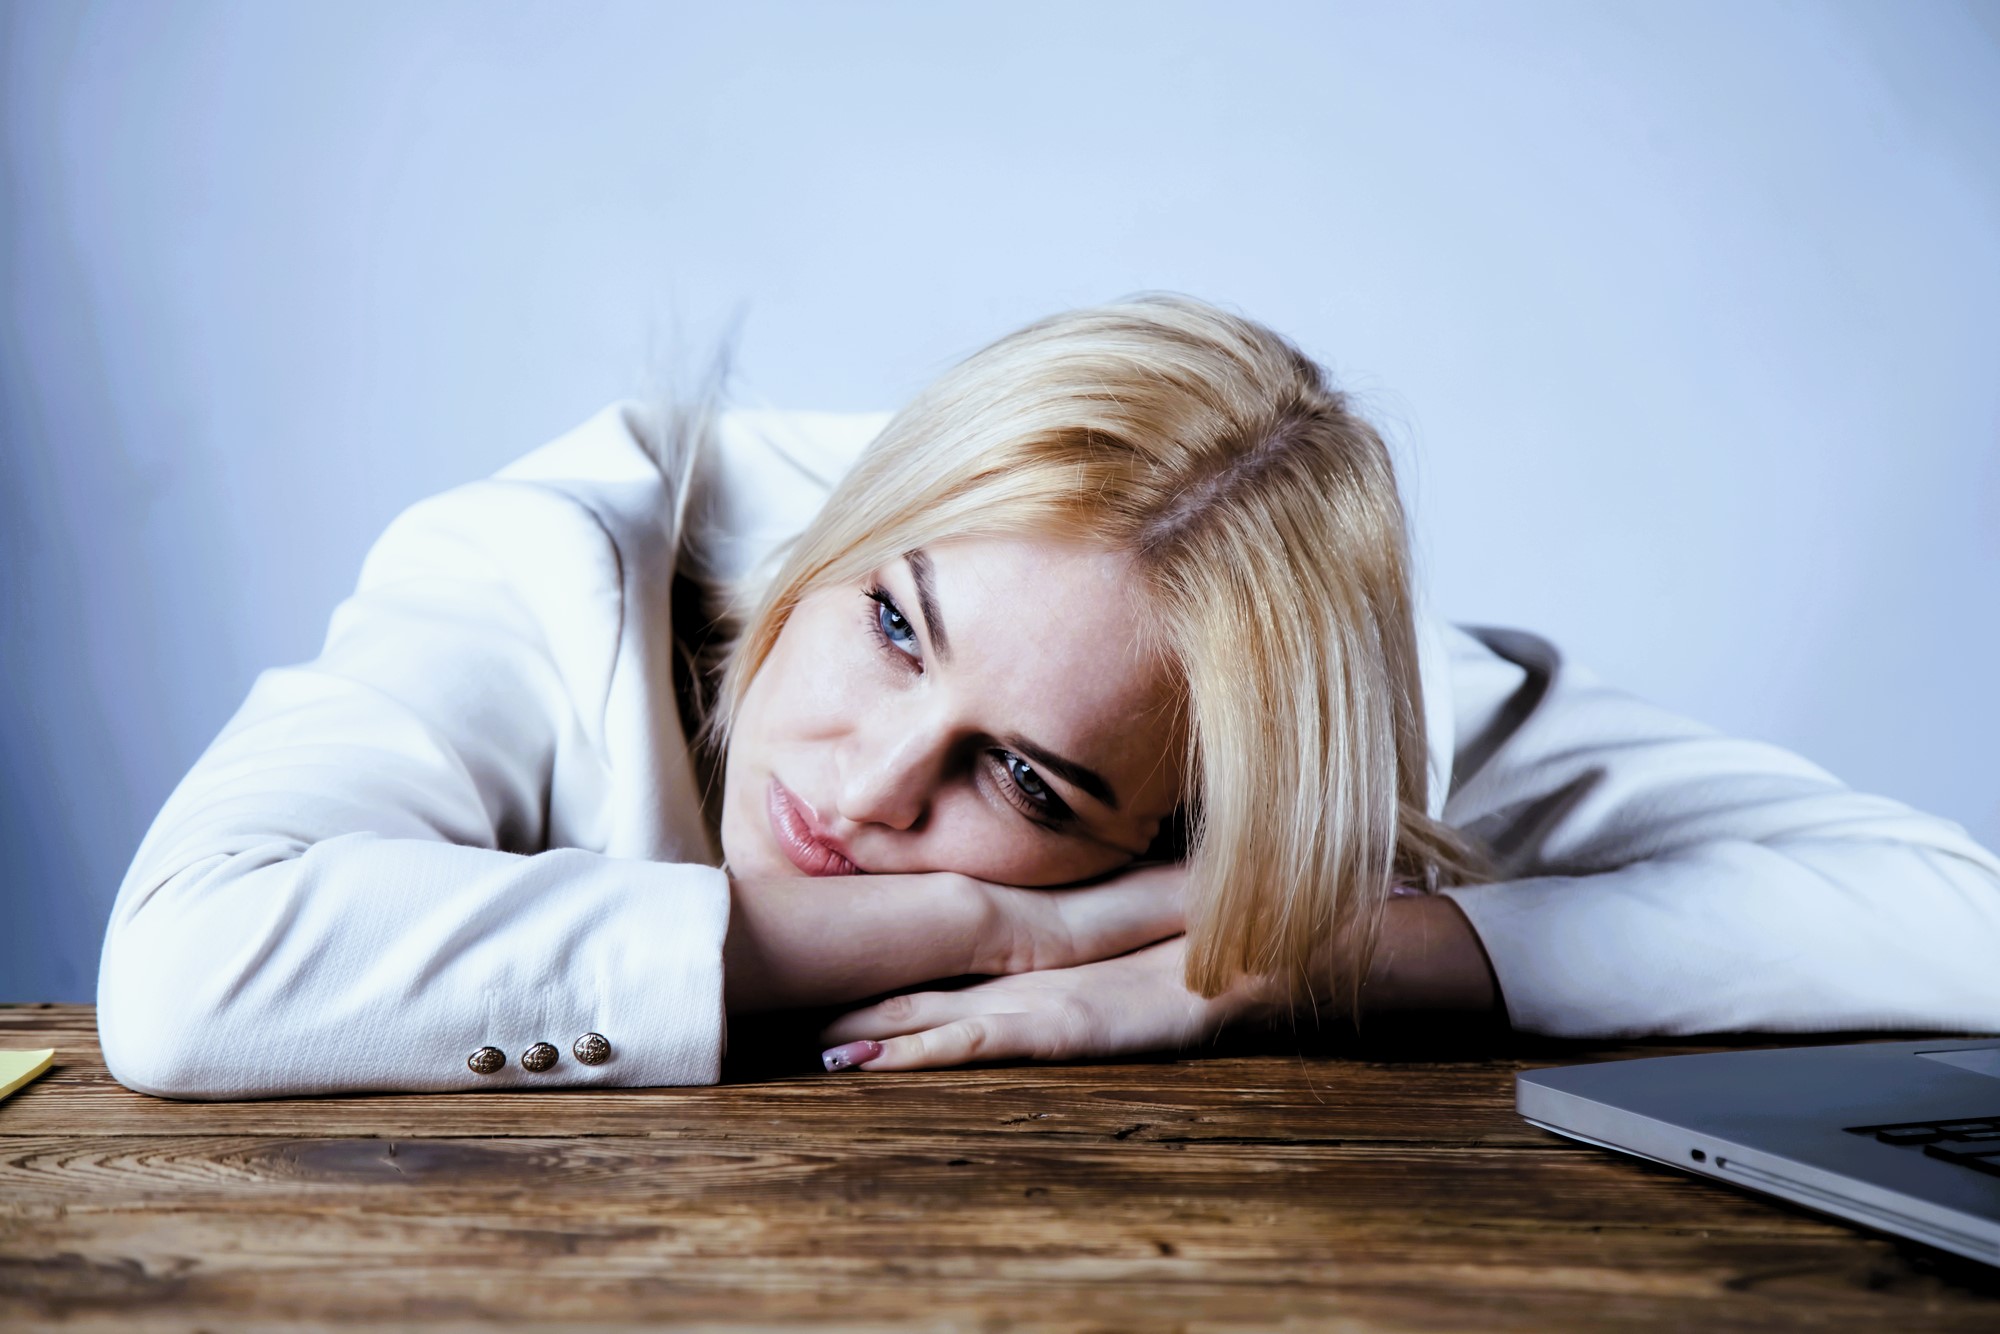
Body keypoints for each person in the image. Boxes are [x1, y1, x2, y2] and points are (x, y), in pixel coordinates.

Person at [97, 295, 2000, 1099]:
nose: (871, 775)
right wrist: (996, 920)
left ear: (1185, 819)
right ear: (863, 528)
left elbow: (1964, 921)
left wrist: (1267, 952)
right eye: (896, 626)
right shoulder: (563, 556)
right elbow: (191, 973)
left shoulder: (1332, 724)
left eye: (1027, 772)